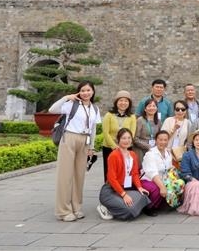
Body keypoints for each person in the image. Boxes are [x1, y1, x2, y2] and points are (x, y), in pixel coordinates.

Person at [49, 81, 102, 221]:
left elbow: (93, 130)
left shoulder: (94, 109)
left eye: (88, 90)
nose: (86, 93)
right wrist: (66, 97)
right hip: (69, 138)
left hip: (84, 141)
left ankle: (76, 207)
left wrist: (91, 147)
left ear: (93, 92)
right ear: (79, 92)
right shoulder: (71, 105)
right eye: (83, 90)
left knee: (79, 176)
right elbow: (52, 110)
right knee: (65, 176)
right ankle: (63, 211)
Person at [97, 128, 150, 221]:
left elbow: (134, 173)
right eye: (124, 138)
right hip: (112, 190)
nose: (127, 141)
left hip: (126, 188)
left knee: (144, 197)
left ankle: (118, 207)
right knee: (130, 210)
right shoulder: (114, 155)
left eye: (129, 138)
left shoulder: (133, 154)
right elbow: (111, 178)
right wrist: (124, 194)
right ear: (118, 140)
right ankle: (105, 207)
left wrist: (139, 187)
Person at [141, 130, 185, 213]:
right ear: (156, 140)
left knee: (180, 183)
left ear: (168, 141)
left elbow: (169, 169)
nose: (163, 142)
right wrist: (162, 187)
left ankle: (167, 203)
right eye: (160, 139)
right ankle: (149, 207)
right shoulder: (150, 154)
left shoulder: (168, 153)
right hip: (149, 179)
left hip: (164, 178)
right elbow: (152, 173)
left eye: (165, 140)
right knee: (157, 189)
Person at [101, 90, 137, 182]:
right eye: (121, 100)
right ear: (116, 102)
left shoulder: (132, 116)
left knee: (125, 170)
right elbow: (106, 132)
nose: (123, 103)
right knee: (110, 172)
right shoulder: (109, 115)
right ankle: (108, 191)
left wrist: (124, 146)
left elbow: (132, 133)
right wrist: (114, 147)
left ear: (129, 103)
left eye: (126, 101)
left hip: (126, 148)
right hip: (109, 148)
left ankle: (124, 189)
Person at [161, 99, 194, 166]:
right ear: (174, 110)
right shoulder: (168, 120)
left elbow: (189, 140)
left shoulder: (188, 123)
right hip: (167, 152)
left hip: (180, 153)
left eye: (183, 109)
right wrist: (174, 129)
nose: (180, 111)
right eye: (177, 109)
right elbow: (162, 138)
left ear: (186, 110)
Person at [133, 98, 162, 166]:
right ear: (145, 109)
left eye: (154, 106)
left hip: (154, 150)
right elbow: (135, 139)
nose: (152, 108)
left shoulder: (158, 122)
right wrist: (148, 146)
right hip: (141, 150)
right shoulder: (140, 120)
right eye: (149, 106)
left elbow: (160, 136)